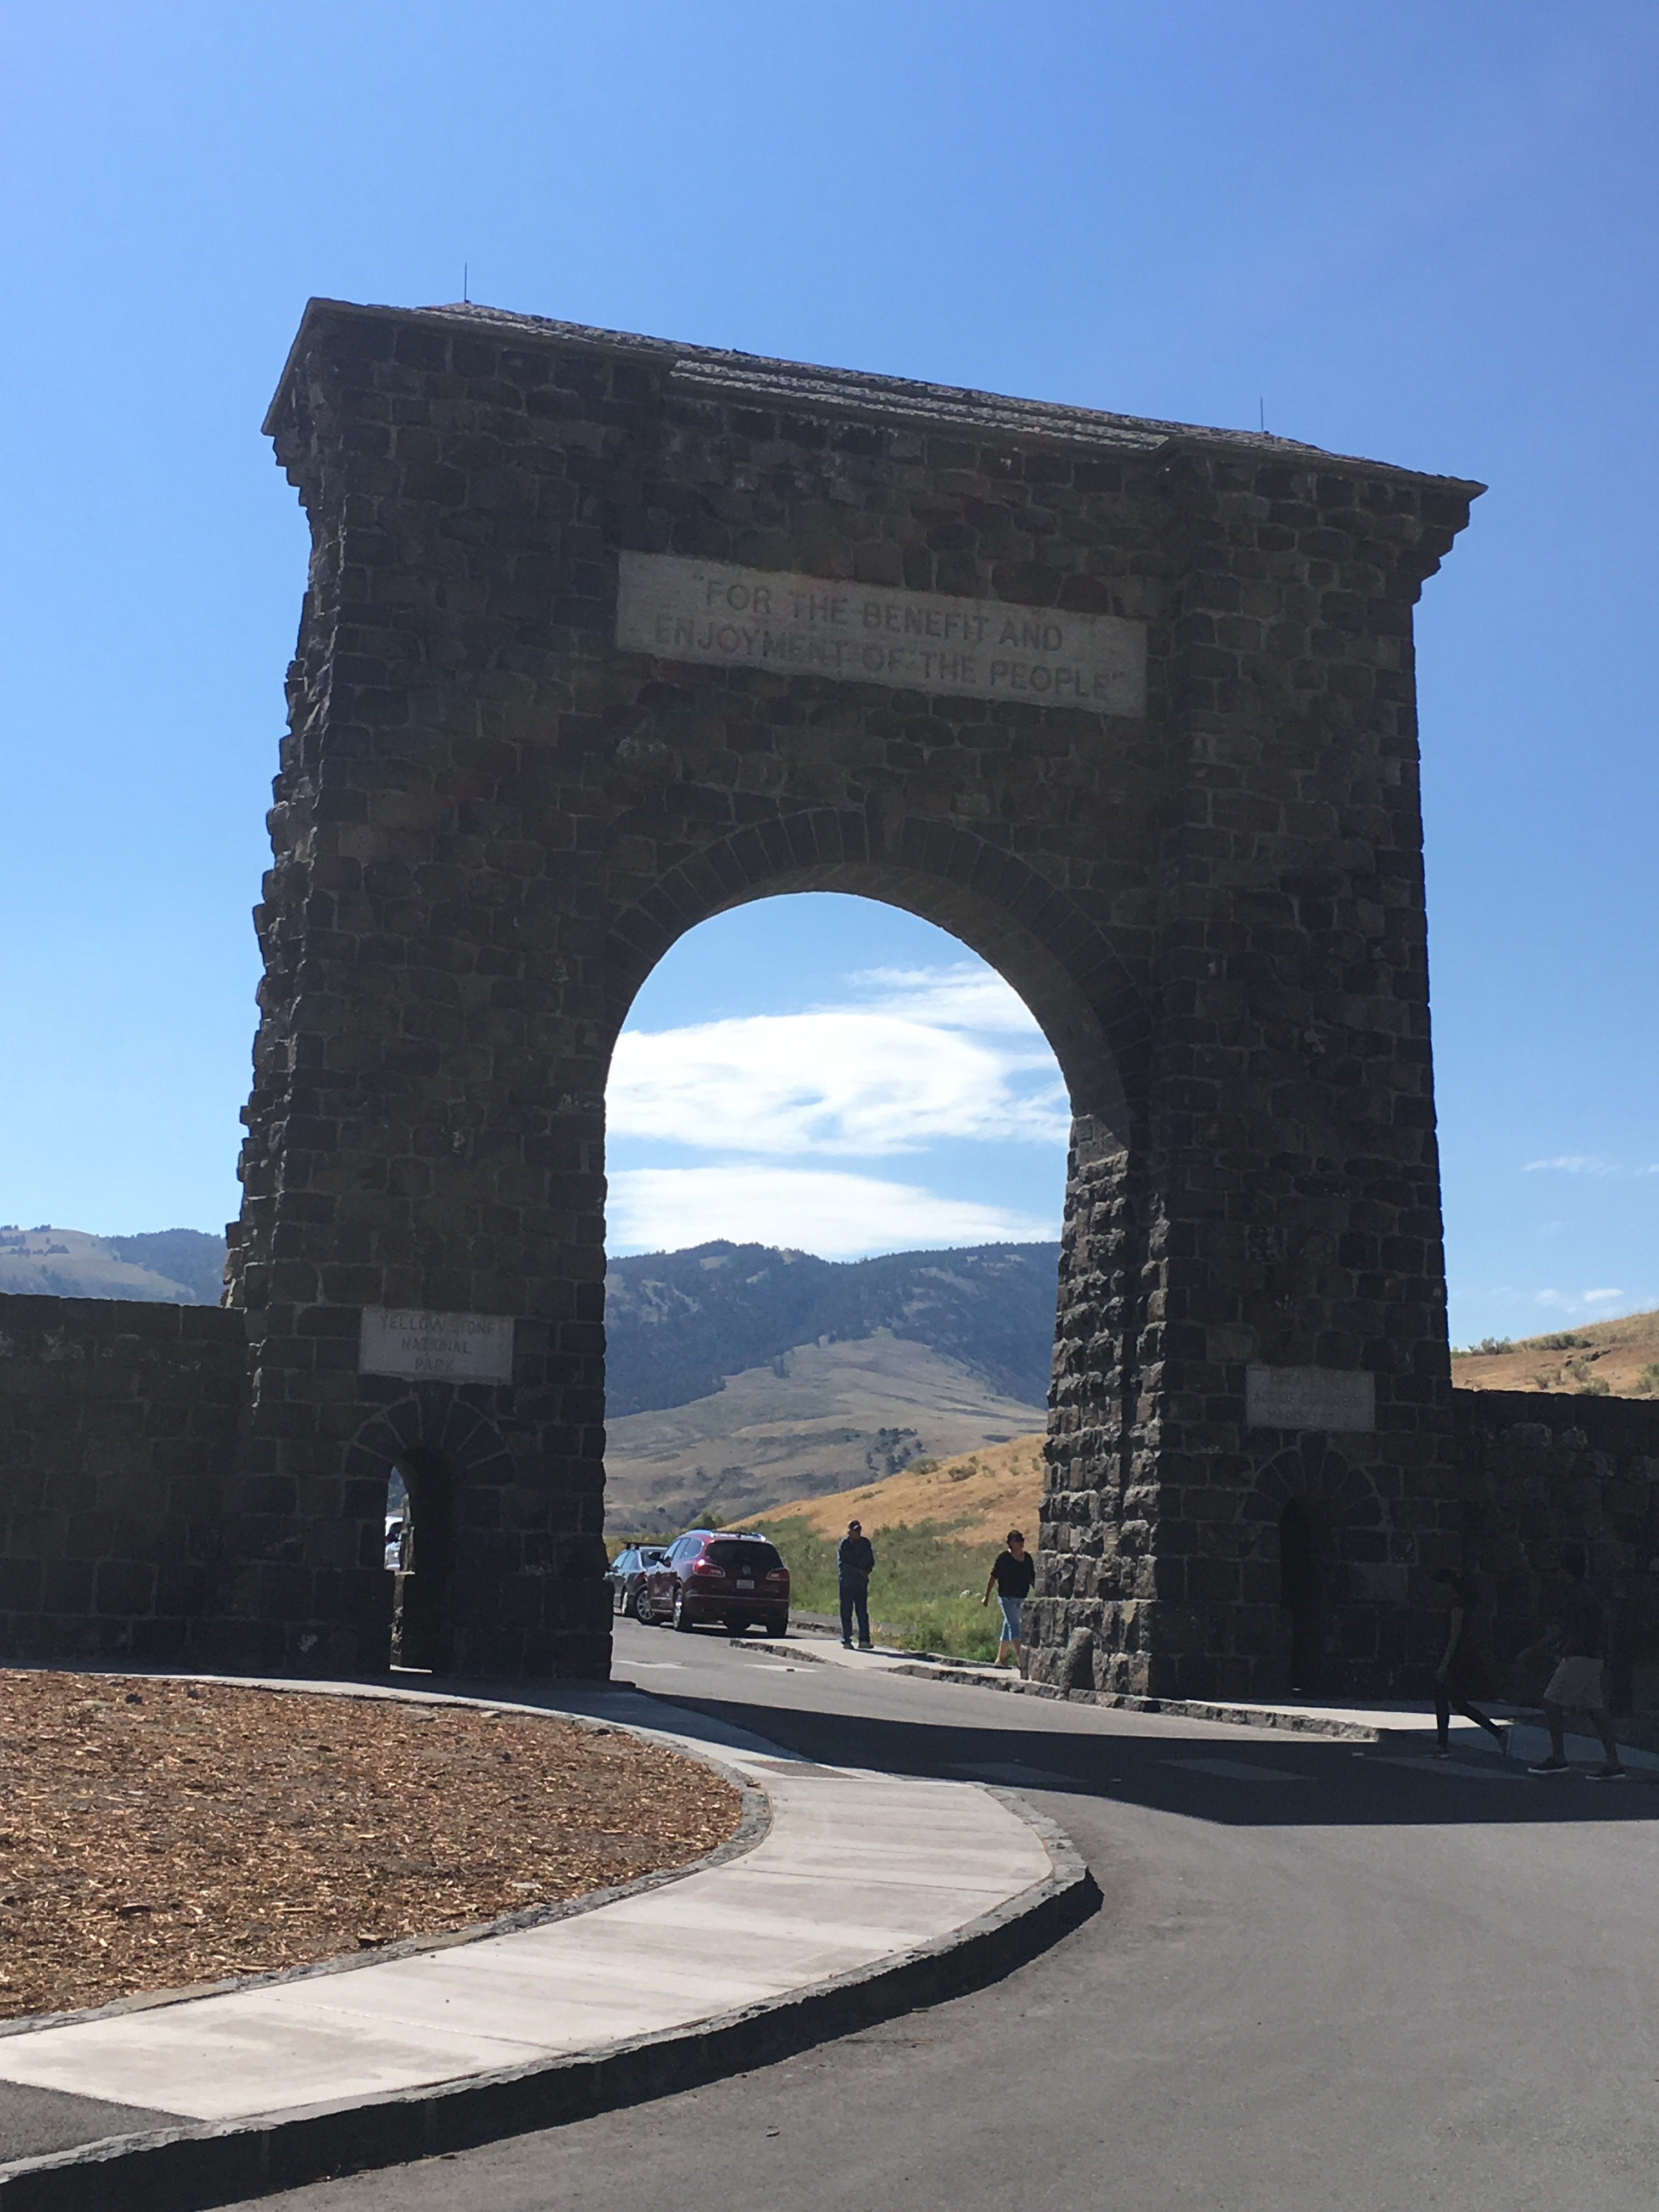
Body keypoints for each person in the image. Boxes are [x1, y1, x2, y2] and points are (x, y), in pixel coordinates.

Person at [1523, 1545, 1625, 1780]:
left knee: (1551, 1702)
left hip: (1579, 1657)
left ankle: (1559, 1758)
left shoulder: (1575, 1595)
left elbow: (1565, 1629)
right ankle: (1614, 1762)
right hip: (1593, 1657)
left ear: (1564, 1570)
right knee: (1595, 1710)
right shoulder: (1587, 1593)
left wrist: (1538, 1649)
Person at [1428, 1569, 1507, 1757]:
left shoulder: (1457, 1607)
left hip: (1457, 1658)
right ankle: (1496, 1732)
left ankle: (1442, 1744)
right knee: (1456, 1702)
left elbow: (1455, 1636)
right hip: (1457, 1656)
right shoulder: (1458, 1605)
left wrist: (1444, 1664)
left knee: (1448, 1700)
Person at [983, 1529, 1036, 1669]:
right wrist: (986, 1596)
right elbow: (993, 1578)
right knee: (1015, 1626)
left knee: (1008, 1627)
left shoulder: (1027, 1559)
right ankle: (1021, 1660)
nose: (1021, 1543)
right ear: (1011, 1543)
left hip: (1021, 1598)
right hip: (1007, 1598)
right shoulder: (1004, 1558)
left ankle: (1000, 1660)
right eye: (1018, 1540)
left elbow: (1032, 1578)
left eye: (1022, 1539)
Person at [838, 1519, 875, 1649]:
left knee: (862, 1613)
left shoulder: (865, 1543)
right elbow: (843, 1565)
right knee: (846, 1612)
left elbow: (871, 1561)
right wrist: (859, 1570)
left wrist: (867, 1571)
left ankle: (864, 1640)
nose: (858, 1533)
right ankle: (847, 1640)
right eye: (855, 1531)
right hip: (847, 1584)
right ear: (849, 1532)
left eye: (859, 1530)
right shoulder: (845, 1545)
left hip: (861, 1584)